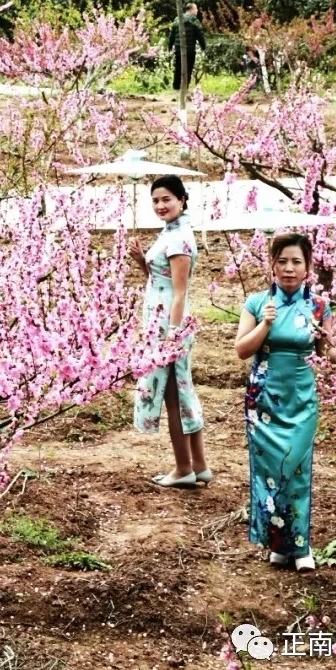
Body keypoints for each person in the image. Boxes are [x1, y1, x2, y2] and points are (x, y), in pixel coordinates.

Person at [235, 234, 332, 573]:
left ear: (308, 268)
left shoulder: (319, 306)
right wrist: (266, 324)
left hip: (301, 398)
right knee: (270, 472)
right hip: (263, 399)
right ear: (272, 265)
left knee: (297, 469)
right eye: (282, 261)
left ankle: (301, 546)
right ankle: (279, 544)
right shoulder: (257, 302)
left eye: (296, 262)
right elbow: (242, 350)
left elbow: (327, 356)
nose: (289, 268)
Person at [127, 175, 209, 488]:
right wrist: (142, 262)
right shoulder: (172, 232)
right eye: (156, 200)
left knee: (173, 394)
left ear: (182, 200)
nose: (161, 205)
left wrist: (172, 334)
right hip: (162, 320)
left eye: (167, 199)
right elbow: (160, 279)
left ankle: (183, 468)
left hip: (168, 324)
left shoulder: (179, 238)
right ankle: (199, 465)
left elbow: (179, 291)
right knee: (182, 390)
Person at [169, 3, 206, 91]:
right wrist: (203, 46)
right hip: (190, 49)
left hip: (178, 48)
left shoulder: (177, 19)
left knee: (178, 68)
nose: (197, 11)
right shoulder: (194, 20)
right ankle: (185, 86)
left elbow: (172, 35)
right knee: (188, 68)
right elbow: (200, 35)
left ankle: (176, 87)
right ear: (191, 10)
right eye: (196, 9)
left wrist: (170, 46)